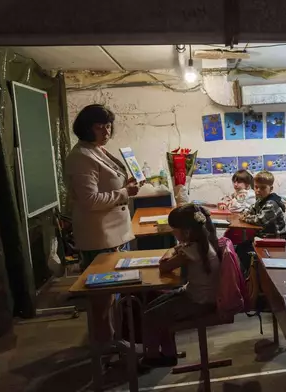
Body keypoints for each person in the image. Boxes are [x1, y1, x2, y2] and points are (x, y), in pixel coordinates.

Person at [65, 104, 140, 343]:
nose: (106, 131)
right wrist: (124, 192)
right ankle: (105, 349)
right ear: (86, 128)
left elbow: (109, 184)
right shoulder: (81, 156)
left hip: (115, 233)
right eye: (100, 127)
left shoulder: (98, 150)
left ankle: (116, 342)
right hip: (100, 236)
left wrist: (125, 184)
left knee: (113, 296)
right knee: (102, 300)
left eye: (108, 126)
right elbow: (89, 200)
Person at [142, 204, 221, 367]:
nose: (173, 232)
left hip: (200, 302)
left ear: (186, 232)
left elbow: (164, 265)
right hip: (196, 295)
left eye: (174, 229)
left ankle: (154, 357)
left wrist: (171, 252)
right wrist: (174, 251)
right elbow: (174, 252)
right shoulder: (202, 242)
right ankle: (167, 353)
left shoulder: (192, 250)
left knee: (151, 315)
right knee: (151, 307)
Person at [236, 171, 286, 273]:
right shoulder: (261, 200)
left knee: (243, 251)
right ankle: (249, 275)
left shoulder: (272, 203)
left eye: (263, 188)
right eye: (256, 187)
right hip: (263, 236)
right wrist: (246, 214)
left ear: (271, 189)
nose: (258, 190)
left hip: (274, 240)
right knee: (240, 247)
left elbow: (259, 220)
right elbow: (251, 209)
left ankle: (254, 275)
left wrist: (244, 218)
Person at [222, 170, 257, 246]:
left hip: (247, 226)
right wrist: (226, 203)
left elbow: (235, 208)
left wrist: (230, 202)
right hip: (239, 222)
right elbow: (227, 202)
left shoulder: (248, 194)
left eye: (238, 182)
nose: (235, 184)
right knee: (227, 235)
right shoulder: (239, 192)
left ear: (247, 184)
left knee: (229, 236)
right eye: (234, 182)